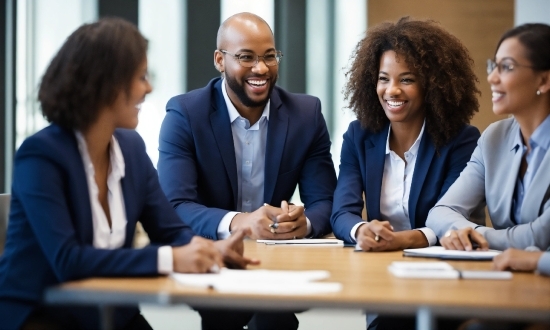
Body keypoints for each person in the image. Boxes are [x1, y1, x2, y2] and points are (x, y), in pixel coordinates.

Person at [0, 18, 255, 330]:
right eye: (141, 77)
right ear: (105, 83)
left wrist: (209, 250)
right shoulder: (41, 155)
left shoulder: (131, 148)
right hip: (42, 316)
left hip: (112, 314)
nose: (148, 87)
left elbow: (171, 231)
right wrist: (170, 260)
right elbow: (68, 261)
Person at [157, 11, 336, 330]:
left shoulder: (306, 115)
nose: (261, 68)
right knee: (225, 315)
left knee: (275, 320)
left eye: (270, 57)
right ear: (219, 60)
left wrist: (303, 223)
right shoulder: (185, 114)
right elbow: (174, 206)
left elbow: (326, 201)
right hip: (211, 254)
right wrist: (242, 222)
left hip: (279, 260)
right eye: (246, 57)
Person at [331, 16, 481, 330]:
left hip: (444, 277)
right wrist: (363, 231)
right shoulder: (359, 136)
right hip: (381, 274)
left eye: (407, 79)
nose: (392, 90)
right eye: (383, 78)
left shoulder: (461, 140)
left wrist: (402, 240)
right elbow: (342, 211)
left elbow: (454, 219)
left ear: (432, 84)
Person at [427, 23, 550, 253]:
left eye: (507, 67)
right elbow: (440, 211)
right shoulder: (495, 137)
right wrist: (468, 233)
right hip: (504, 279)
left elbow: (540, 235)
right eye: (494, 66)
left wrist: (476, 236)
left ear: (543, 81)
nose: (492, 77)